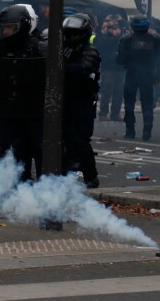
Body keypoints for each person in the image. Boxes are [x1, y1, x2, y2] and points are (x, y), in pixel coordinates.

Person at [0, 5, 46, 181]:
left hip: (34, 111)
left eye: (11, 28)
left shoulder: (38, 48)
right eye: (4, 28)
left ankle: (45, 189)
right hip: (7, 110)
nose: (6, 32)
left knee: (39, 150)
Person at [61, 14, 101, 188]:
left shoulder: (90, 50)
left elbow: (84, 68)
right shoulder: (63, 48)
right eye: (69, 33)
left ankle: (91, 177)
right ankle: (66, 175)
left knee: (81, 141)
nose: (71, 37)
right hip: (66, 99)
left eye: (75, 34)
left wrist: (61, 67)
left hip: (83, 102)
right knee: (63, 139)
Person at [117, 15, 160, 141]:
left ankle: (130, 131)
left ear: (132, 26)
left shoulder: (126, 39)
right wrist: (159, 76)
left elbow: (120, 60)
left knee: (129, 104)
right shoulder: (157, 39)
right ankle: (147, 130)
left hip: (132, 74)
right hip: (148, 75)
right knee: (147, 104)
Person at [94, 15, 125, 121]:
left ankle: (115, 113)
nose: (117, 31)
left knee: (119, 92)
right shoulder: (104, 38)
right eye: (114, 28)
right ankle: (103, 113)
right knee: (107, 91)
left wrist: (121, 21)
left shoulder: (121, 39)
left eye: (117, 28)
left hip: (120, 68)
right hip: (108, 69)